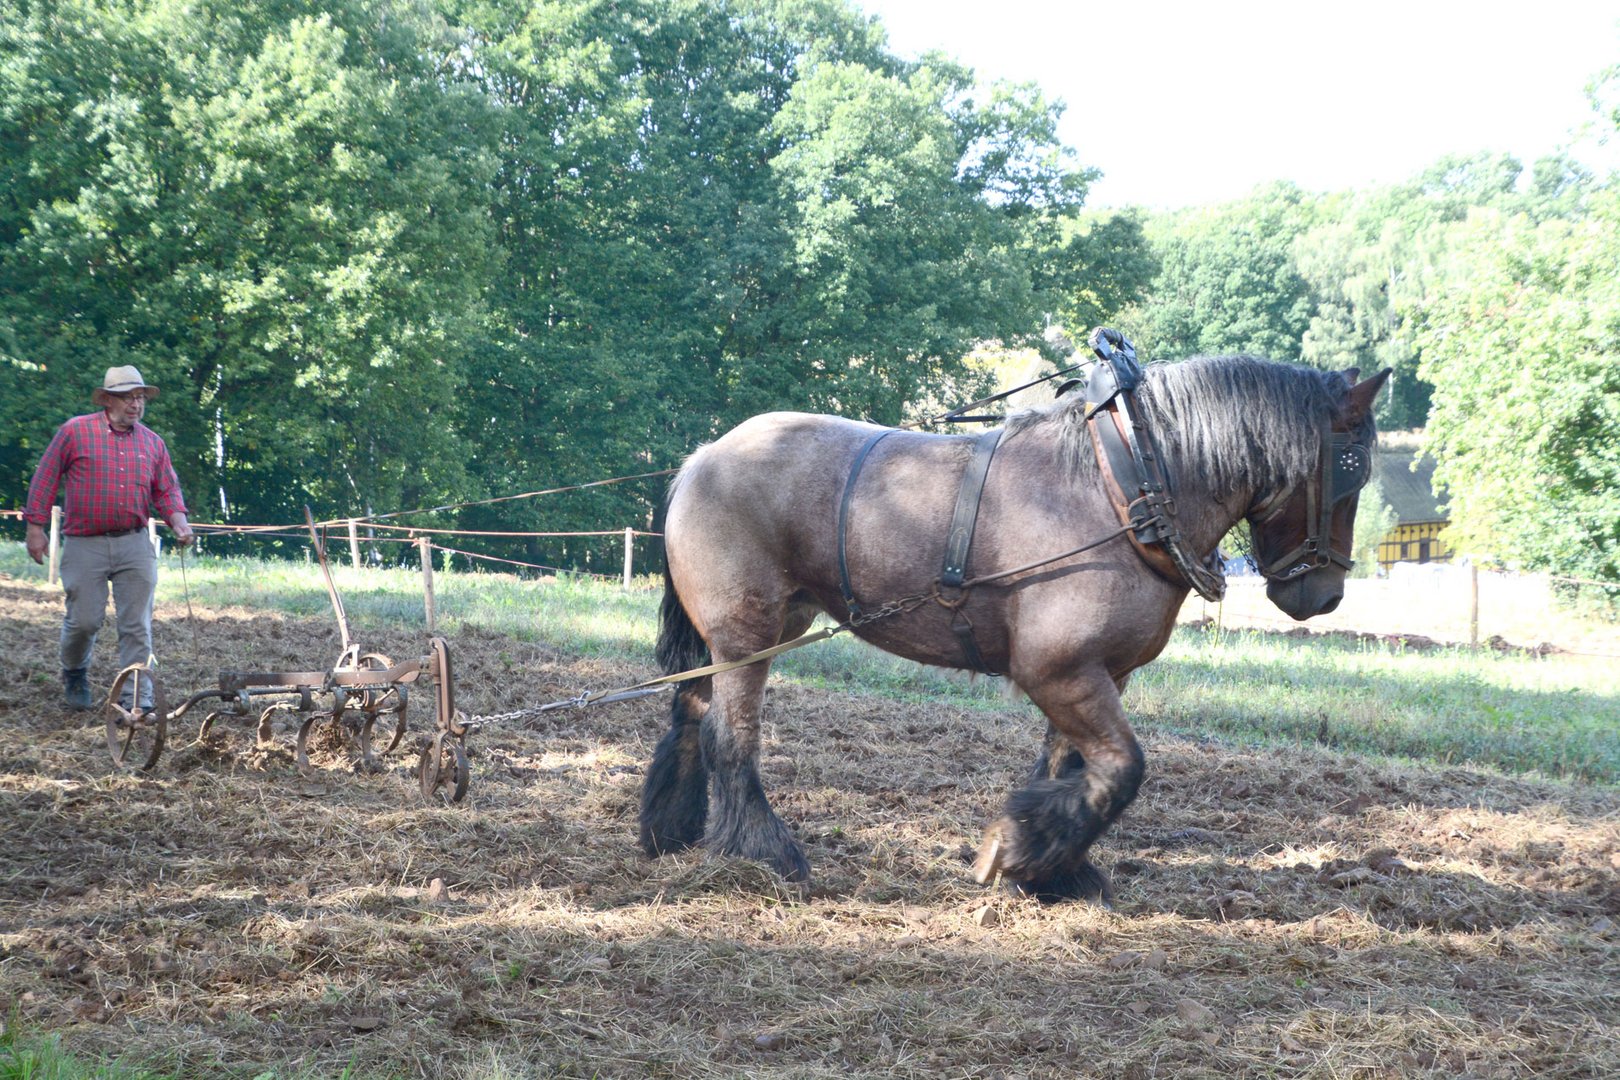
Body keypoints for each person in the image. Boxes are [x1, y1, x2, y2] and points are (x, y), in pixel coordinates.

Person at [24, 366, 194, 711]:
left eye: (140, 397)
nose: (136, 404)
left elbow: (166, 491)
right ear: (108, 399)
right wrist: (35, 527)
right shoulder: (75, 432)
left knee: (136, 626)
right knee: (84, 620)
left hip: (134, 542)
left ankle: (137, 701)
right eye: (128, 397)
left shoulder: (152, 443)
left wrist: (179, 523)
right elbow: (45, 478)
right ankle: (74, 671)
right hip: (85, 543)